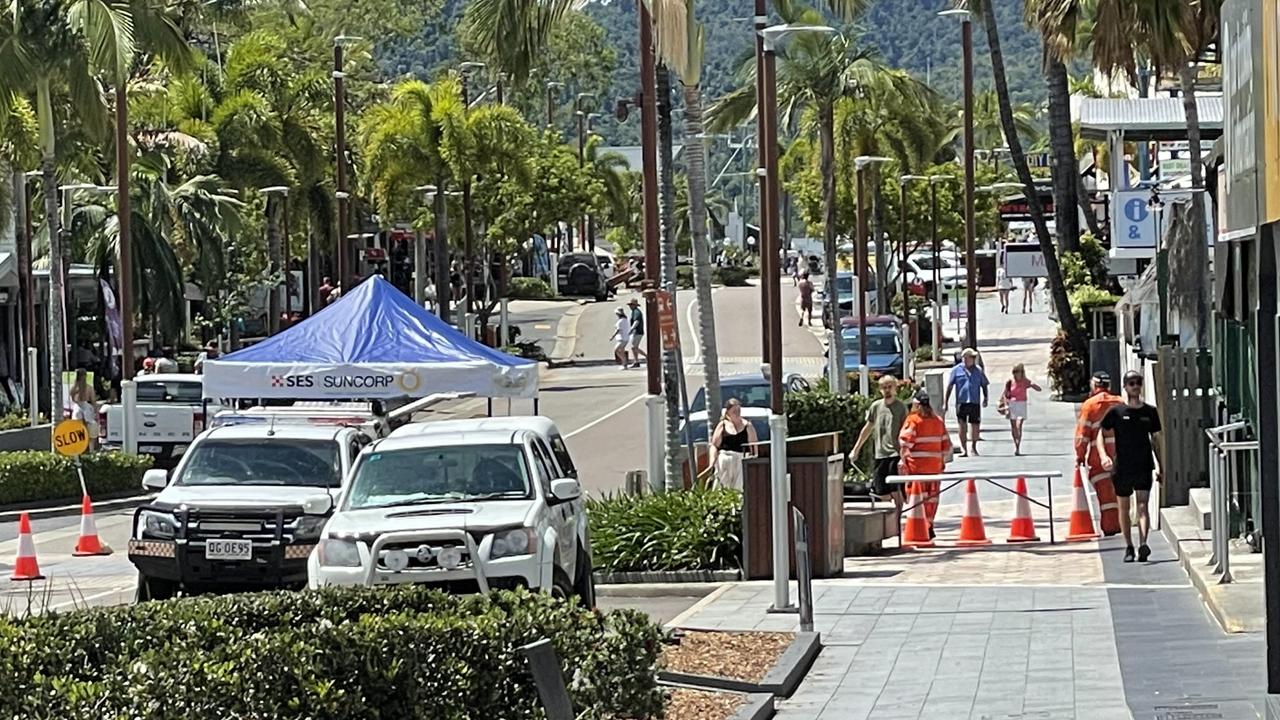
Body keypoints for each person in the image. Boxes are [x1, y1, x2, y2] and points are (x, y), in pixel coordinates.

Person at [1098, 370, 1164, 562]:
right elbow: (1101, 433)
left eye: (1138, 382)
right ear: (1125, 387)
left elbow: (1156, 440)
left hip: (1144, 464)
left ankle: (1143, 544)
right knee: (1124, 507)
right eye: (1131, 383)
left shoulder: (1150, 412)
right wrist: (1104, 456)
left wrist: (1161, 465)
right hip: (1123, 466)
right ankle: (1129, 546)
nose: (1135, 386)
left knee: (1143, 505)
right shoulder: (1116, 412)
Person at [850, 375, 909, 519]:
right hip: (880, 453)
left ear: (895, 388)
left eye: (890, 386)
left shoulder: (901, 407)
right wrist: (856, 449)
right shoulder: (876, 406)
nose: (887, 390)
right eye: (884, 387)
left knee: (895, 488)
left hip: (895, 454)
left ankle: (898, 516)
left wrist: (905, 454)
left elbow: (906, 430)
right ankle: (891, 516)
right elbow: (868, 428)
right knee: (880, 490)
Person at [1074, 371, 1123, 536]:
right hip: (1122, 458)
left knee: (1106, 499)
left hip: (1099, 461)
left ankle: (1110, 528)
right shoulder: (1120, 402)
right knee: (1121, 495)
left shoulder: (1089, 406)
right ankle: (1123, 526)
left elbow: (1082, 436)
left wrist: (1080, 457)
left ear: (1094, 386)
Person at [898, 389, 953, 535]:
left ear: (916, 405)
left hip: (916, 470)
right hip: (934, 470)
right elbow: (946, 446)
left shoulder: (913, 420)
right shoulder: (938, 421)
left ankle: (918, 529)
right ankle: (929, 525)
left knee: (916, 499)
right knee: (931, 500)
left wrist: (903, 463)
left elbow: (905, 444)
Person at [943, 348, 988, 456]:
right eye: (971, 357)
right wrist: (946, 402)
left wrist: (986, 398)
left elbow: (984, 385)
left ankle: (973, 447)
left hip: (974, 401)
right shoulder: (956, 370)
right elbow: (949, 386)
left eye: (974, 357)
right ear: (965, 358)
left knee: (975, 425)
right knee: (962, 426)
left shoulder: (978, 370)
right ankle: (964, 449)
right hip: (961, 401)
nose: (973, 359)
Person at [710, 398, 758, 490]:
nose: (737, 413)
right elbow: (714, 445)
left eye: (738, 410)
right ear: (728, 412)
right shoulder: (722, 425)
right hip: (724, 461)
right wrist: (712, 462)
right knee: (722, 488)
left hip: (741, 461)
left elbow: (754, 447)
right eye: (734, 411)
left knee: (740, 489)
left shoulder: (748, 426)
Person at [999, 363, 1042, 456]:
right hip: (1012, 404)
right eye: (1014, 372)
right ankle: (1016, 445)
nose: (1015, 374)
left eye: (1017, 372)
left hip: (1021, 404)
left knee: (1019, 425)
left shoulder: (1025, 381)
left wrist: (1034, 385)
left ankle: (1018, 444)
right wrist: (1005, 406)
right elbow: (1006, 394)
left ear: (1022, 373)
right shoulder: (1010, 381)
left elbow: (1037, 387)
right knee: (1013, 426)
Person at [69, 369, 98, 445]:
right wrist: (95, 410)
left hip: (80, 406)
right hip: (83, 406)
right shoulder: (87, 387)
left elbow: (72, 398)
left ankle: (83, 445)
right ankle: (88, 445)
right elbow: (93, 400)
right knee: (88, 427)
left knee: (81, 427)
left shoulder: (75, 387)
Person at [628, 298, 646, 368]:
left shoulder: (636, 312)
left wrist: (631, 329)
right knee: (634, 347)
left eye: (631, 305)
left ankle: (647, 357)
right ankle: (636, 361)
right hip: (636, 331)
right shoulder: (633, 311)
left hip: (638, 331)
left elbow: (636, 321)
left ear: (635, 305)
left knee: (634, 347)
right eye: (630, 305)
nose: (630, 306)